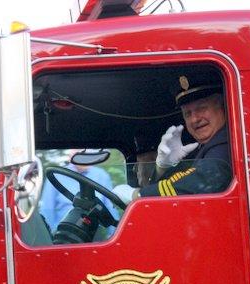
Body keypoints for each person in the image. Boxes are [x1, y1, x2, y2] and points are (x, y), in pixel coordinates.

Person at [113, 73, 231, 203]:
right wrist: (163, 168)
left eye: (201, 108)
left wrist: (137, 195)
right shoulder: (202, 148)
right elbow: (177, 186)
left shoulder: (225, 143)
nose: (194, 119)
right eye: (187, 113)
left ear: (222, 107)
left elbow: (204, 180)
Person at [39, 155, 118, 233]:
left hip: (94, 233)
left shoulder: (101, 175)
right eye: (78, 151)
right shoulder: (57, 175)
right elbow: (47, 208)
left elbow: (110, 208)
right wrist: (49, 237)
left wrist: (114, 235)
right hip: (62, 232)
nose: (83, 154)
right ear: (71, 154)